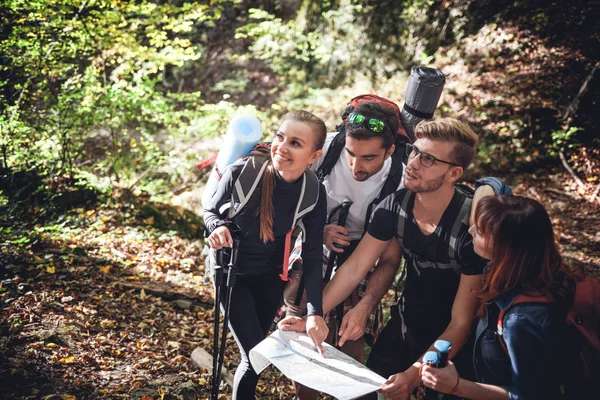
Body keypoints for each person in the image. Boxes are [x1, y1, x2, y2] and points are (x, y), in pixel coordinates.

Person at [280, 117, 511, 399]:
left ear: (453, 173)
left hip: (458, 339)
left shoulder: (468, 231)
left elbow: (460, 322)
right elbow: (354, 269)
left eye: (428, 159)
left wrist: (413, 375)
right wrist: (313, 316)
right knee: (368, 391)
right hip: (407, 320)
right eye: (414, 151)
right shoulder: (394, 205)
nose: (412, 163)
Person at [204, 110, 329, 399]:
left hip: (271, 277)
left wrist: (315, 313)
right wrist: (217, 227)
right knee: (255, 355)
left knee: (255, 360)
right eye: (280, 137)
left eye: (296, 143)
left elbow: (312, 256)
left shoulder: (313, 192)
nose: (282, 147)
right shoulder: (244, 171)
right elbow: (211, 210)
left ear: (314, 156)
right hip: (231, 273)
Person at [285, 101, 406, 399]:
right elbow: (284, 200)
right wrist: (318, 231)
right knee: (303, 339)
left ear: (389, 151)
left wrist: (366, 304)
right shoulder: (324, 150)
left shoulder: (402, 179)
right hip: (312, 248)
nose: (356, 166)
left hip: (364, 253)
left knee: (350, 337)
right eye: (350, 155)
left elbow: (390, 258)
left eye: (368, 158)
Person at [421, 195, 573, 399]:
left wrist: (456, 386)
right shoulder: (526, 270)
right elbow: (493, 184)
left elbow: (528, 395)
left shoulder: (523, 320)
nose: (470, 230)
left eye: (481, 231)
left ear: (506, 248)